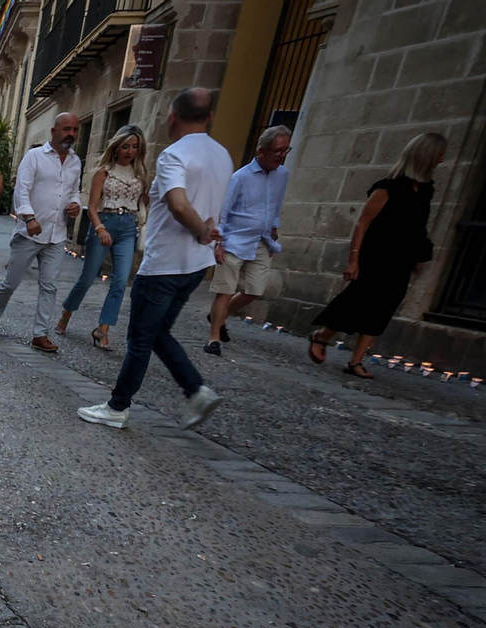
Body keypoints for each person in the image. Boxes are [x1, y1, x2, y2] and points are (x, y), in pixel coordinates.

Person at [78, 88, 229, 430]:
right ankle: (196, 390)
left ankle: (118, 407)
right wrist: (210, 237)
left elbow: (178, 203)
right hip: (196, 266)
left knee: (140, 338)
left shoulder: (175, 154)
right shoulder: (222, 155)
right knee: (157, 332)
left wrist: (201, 231)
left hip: (165, 264)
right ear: (209, 117)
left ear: (172, 118)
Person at [307, 132, 447, 378]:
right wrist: (353, 260)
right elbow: (362, 224)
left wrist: (420, 256)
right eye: (439, 155)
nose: (442, 160)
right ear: (426, 156)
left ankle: (356, 361)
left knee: (384, 308)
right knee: (357, 300)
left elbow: (419, 226)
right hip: (376, 256)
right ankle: (322, 336)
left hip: (401, 259)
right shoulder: (388, 188)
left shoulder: (425, 191)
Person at [0, 113, 81, 352]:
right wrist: (29, 218)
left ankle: (40, 334)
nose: (71, 134)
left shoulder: (75, 161)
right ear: (54, 131)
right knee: (11, 283)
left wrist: (76, 204)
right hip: (29, 233)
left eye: (75, 130)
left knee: (49, 286)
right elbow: (22, 190)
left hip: (56, 235)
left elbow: (74, 191)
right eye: (66, 129)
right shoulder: (34, 157)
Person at [56, 125, 151, 352]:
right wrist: (100, 229)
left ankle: (103, 329)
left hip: (128, 226)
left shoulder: (140, 174)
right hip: (104, 222)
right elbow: (92, 207)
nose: (129, 151)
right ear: (116, 147)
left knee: (120, 281)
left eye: (134, 147)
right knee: (87, 278)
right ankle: (66, 313)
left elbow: (142, 202)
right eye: (125, 146)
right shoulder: (104, 172)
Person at [204, 125, 293, 355]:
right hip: (234, 240)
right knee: (225, 290)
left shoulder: (282, 174)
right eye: (278, 151)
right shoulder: (240, 177)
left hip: (261, 240)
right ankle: (214, 339)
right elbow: (223, 210)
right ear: (262, 151)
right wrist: (219, 243)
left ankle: (218, 316)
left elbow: (276, 204)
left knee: (255, 290)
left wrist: (274, 229)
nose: (282, 155)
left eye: (286, 150)